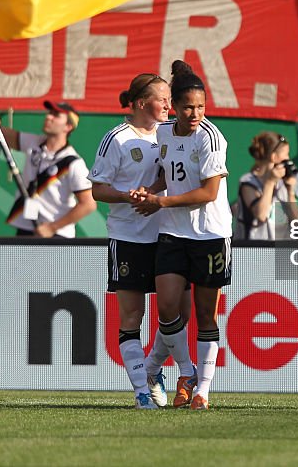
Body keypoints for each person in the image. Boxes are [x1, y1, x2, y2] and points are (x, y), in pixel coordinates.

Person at [132, 60, 233, 410]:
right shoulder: (163, 133)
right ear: (174, 106)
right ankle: (186, 372)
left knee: (206, 316)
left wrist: (161, 201)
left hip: (210, 235)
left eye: (201, 106)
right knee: (168, 307)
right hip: (174, 233)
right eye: (188, 106)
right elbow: (169, 175)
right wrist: (150, 189)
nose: (195, 113)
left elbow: (207, 193)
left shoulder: (211, 138)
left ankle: (202, 389)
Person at [90, 73, 187, 409]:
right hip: (128, 237)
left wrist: (156, 192)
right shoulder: (116, 139)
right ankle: (141, 391)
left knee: (175, 311)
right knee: (132, 318)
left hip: (169, 235)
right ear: (143, 102)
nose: (169, 106)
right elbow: (97, 189)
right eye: (163, 99)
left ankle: (152, 368)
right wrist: (127, 196)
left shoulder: (172, 133)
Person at [0, 100, 94, 238]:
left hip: (56, 235)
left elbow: (88, 204)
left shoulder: (73, 163)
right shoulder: (33, 143)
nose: (48, 117)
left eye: (56, 115)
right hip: (27, 228)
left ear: (68, 126)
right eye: (49, 113)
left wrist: (52, 228)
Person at [235, 131, 298, 240]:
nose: (288, 159)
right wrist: (270, 183)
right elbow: (261, 215)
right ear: (274, 157)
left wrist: (290, 191)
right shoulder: (248, 182)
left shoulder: (282, 182)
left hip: (280, 248)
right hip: (253, 250)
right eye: (286, 154)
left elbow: (295, 220)